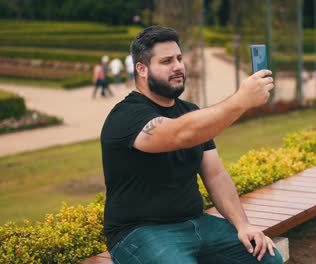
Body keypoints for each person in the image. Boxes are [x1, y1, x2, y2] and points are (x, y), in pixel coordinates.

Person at [100, 26, 282, 264]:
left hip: (198, 224)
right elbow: (178, 135)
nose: (178, 66)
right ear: (141, 69)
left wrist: (243, 224)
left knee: (268, 258)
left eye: (179, 58)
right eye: (166, 61)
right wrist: (241, 101)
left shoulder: (190, 112)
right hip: (139, 233)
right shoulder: (126, 116)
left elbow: (215, 175)